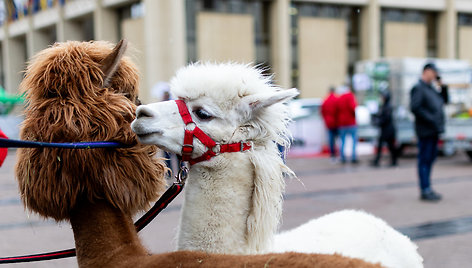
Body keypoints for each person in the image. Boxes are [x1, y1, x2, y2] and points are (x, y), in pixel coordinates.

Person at [410, 63, 446, 202]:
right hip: (425, 130)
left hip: (434, 130)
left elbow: (444, 101)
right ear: (426, 71)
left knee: (430, 159)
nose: (435, 75)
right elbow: (415, 107)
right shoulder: (419, 88)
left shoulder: (431, 88)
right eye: (434, 72)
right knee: (424, 160)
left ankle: (428, 187)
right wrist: (432, 119)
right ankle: (425, 189)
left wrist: (442, 86)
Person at [371, 91, 397, 167]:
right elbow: (381, 116)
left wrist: (378, 121)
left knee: (390, 146)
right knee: (383, 146)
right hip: (385, 130)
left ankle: (393, 160)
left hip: (388, 130)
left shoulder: (388, 106)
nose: (381, 98)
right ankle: (378, 160)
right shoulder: (384, 106)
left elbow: (386, 118)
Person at [337, 85, 358, 164]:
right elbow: (353, 107)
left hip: (342, 123)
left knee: (342, 141)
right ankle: (353, 157)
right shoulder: (350, 96)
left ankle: (342, 157)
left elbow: (337, 110)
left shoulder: (340, 98)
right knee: (353, 141)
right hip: (351, 122)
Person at [320, 86, 339, 162]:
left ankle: (332, 155)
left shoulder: (325, 100)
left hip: (328, 122)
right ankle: (338, 154)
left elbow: (322, 111)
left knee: (331, 139)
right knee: (337, 139)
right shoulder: (337, 99)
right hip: (336, 122)